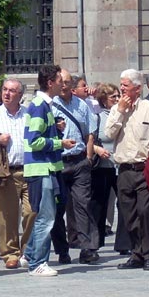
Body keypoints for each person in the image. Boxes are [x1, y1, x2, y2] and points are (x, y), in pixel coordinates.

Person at [106, 69, 149, 271]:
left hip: (145, 169)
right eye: (121, 84)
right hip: (124, 169)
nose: (122, 88)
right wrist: (120, 111)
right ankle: (137, 253)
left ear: (137, 87)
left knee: (147, 212)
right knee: (129, 214)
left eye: (126, 84)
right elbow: (108, 133)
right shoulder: (116, 109)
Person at [23, 65, 76, 277]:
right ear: (50, 83)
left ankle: (29, 254)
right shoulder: (38, 106)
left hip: (48, 168)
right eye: (59, 80)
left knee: (46, 214)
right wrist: (60, 143)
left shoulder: (44, 106)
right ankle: (37, 263)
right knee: (46, 216)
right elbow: (33, 141)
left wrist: (56, 129)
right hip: (41, 168)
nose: (63, 84)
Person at [51, 69, 99, 265]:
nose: (64, 85)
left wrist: (88, 157)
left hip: (79, 162)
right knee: (57, 208)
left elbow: (90, 133)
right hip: (58, 162)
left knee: (83, 204)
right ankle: (63, 250)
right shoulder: (50, 105)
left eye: (68, 82)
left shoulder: (81, 105)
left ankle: (87, 248)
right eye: (61, 81)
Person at [0, 79, 32, 269]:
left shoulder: (29, 114)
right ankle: (10, 253)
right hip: (6, 173)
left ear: (20, 95)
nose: (7, 94)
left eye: (12, 91)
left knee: (32, 212)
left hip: (30, 170)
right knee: (7, 216)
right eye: (5, 89)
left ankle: (28, 250)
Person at [89, 84, 120, 250]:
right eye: (112, 97)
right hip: (102, 166)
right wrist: (97, 150)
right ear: (103, 100)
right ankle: (96, 241)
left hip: (121, 165)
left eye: (118, 96)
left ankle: (125, 243)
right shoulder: (97, 117)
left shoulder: (122, 116)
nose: (117, 99)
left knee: (124, 203)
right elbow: (89, 139)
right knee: (99, 204)